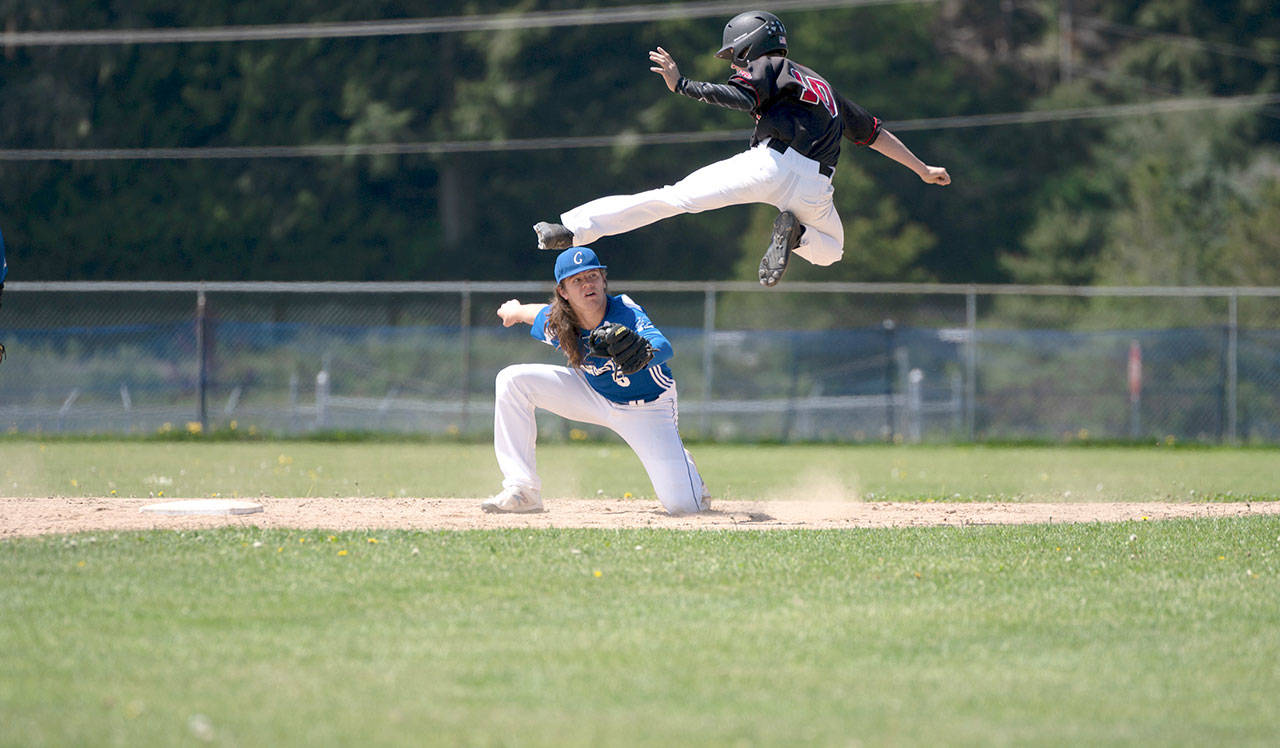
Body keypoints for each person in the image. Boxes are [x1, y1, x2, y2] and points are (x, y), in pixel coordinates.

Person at [533, 10, 950, 287]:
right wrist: (921, 169)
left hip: (769, 165)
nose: (734, 64)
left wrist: (684, 85)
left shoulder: (770, 67)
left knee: (673, 199)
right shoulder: (823, 87)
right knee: (832, 251)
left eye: (735, 55)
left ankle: (572, 230)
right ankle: (798, 234)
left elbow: (742, 97)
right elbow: (873, 134)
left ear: (752, 45)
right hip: (815, 185)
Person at [485, 246, 709, 515]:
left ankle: (682, 466)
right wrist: (515, 309)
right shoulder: (560, 321)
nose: (586, 284)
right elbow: (535, 313)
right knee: (512, 380)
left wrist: (644, 353)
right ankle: (523, 491)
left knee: (686, 508)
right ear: (563, 292)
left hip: (647, 409)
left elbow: (664, 346)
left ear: (604, 280)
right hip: (592, 394)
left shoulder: (624, 311)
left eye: (592, 275)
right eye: (576, 280)